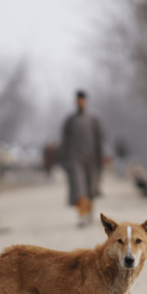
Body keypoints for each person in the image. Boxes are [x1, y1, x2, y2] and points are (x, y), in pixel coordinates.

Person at [59, 90, 104, 227]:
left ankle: (89, 211)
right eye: (78, 100)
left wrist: (103, 156)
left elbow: (101, 140)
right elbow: (64, 142)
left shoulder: (94, 119)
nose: (80, 102)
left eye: (82, 100)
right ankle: (82, 215)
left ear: (86, 101)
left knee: (90, 188)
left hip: (91, 160)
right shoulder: (70, 121)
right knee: (79, 188)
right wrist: (63, 160)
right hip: (74, 159)